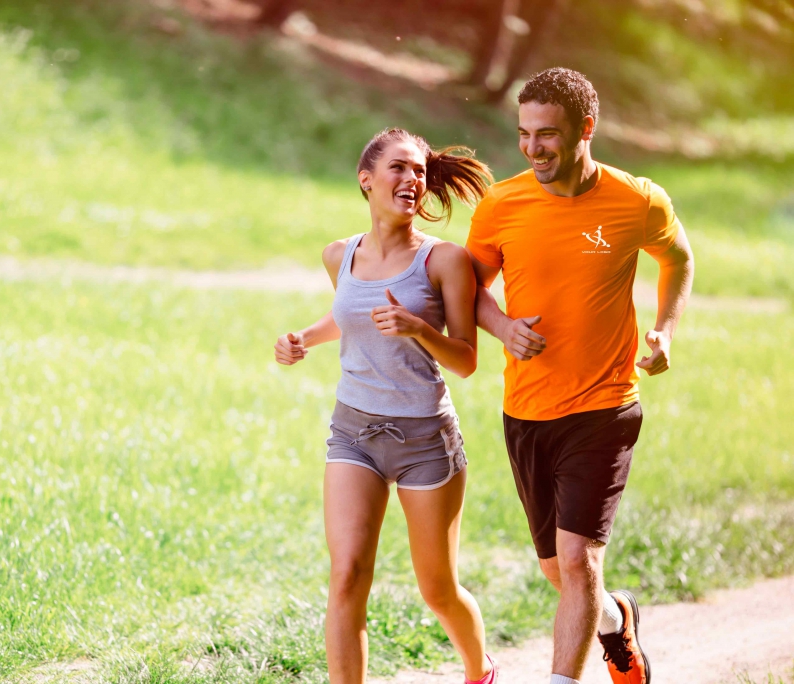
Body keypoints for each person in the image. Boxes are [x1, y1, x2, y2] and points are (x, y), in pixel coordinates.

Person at [466, 68, 695, 684]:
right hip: (528, 409)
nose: (533, 148)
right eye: (524, 134)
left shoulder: (636, 200)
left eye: (547, 135)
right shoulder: (502, 205)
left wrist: (665, 330)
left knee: (576, 558)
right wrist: (503, 325)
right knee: (558, 569)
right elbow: (470, 290)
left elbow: (678, 258)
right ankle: (618, 623)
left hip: (606, 404)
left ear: (585, 129)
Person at [274, 128, 498, 684]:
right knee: (347, 575)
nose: (412, 180)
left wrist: (419, 328)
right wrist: (303, 336)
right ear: (366, 180)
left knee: (437, 589)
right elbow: (349, 315)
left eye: (419, 171)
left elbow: (467, 360)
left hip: (425, 439)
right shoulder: (338, 255)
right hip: (353, 432)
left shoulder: (444, 260)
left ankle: (480, 670)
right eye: (399, 168)